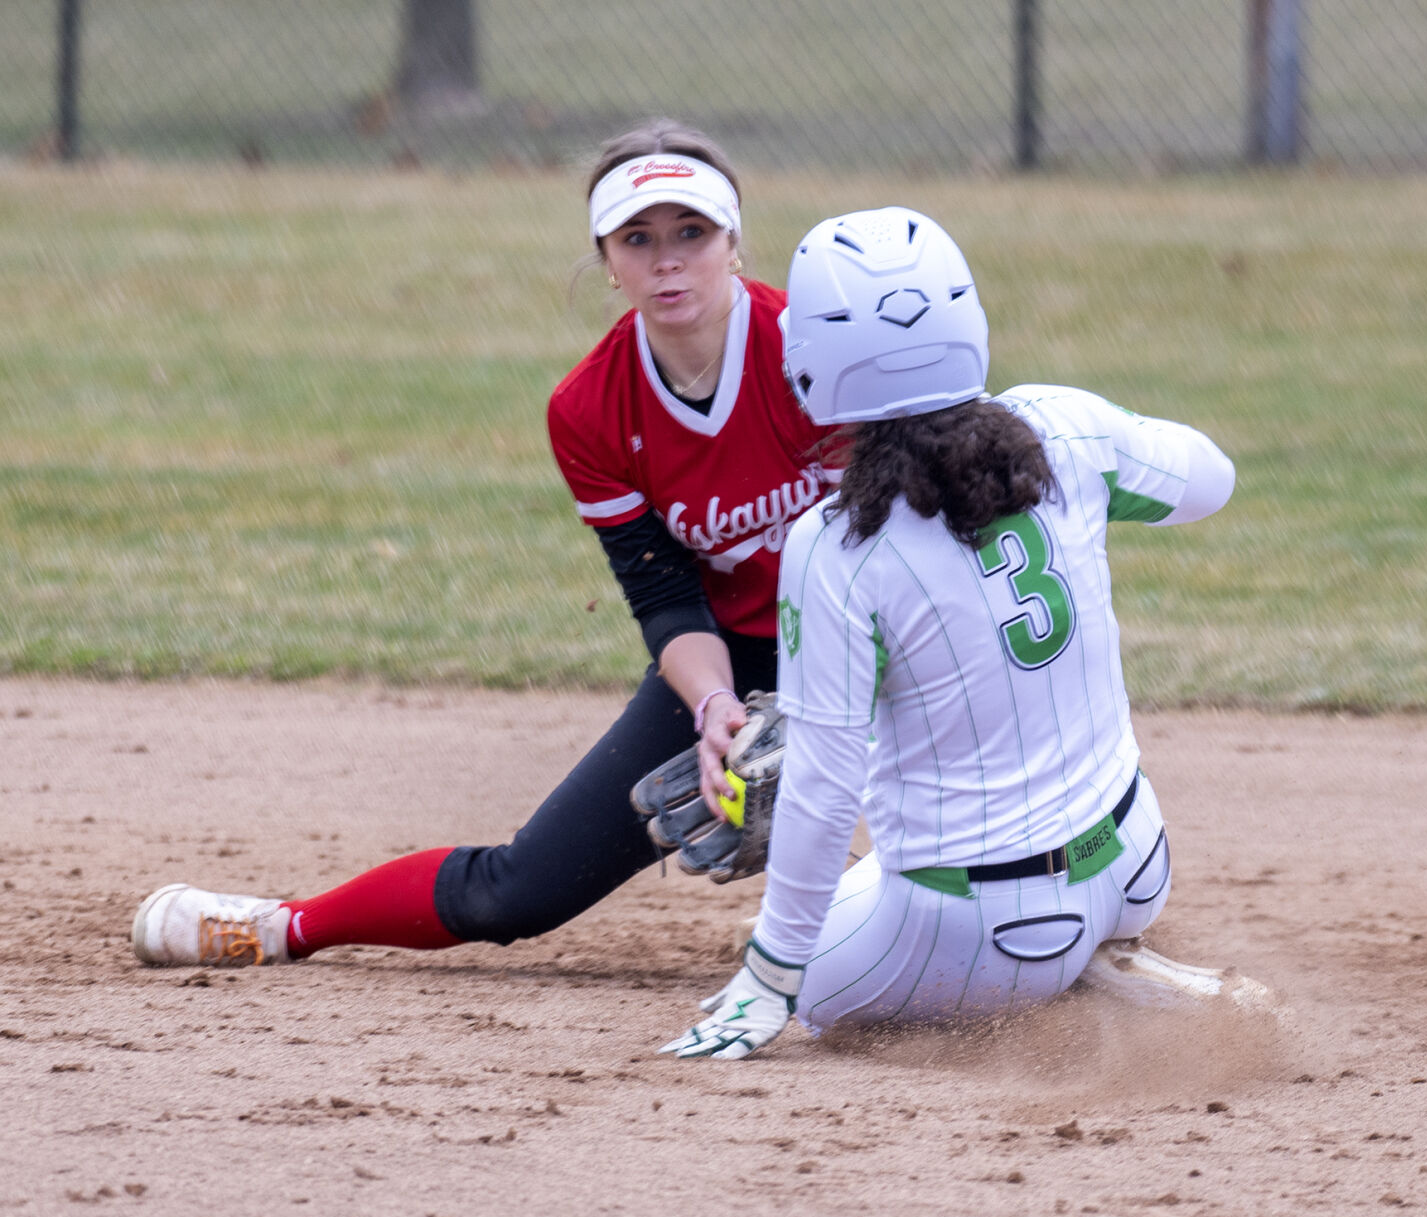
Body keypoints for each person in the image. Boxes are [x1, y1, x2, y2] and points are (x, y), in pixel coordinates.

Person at [131, 119, 842, 966]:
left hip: (878, 639)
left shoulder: (819, 348)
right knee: (520, 889)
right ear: (605, 258)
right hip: (732, 655)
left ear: (733, 241)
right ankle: (281, 925)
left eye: (692, 232)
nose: (667, 259)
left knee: (961, 824)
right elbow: (663, 596)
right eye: (637, 238)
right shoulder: (589, 408)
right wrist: (715, 709)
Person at [663, 206, 1262, 1061]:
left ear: (810, 366)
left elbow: (827, 787)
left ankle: (1081, 988)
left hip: (984, 935)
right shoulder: (1064, 428)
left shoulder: (836, 543)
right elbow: (1211, 481)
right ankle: (1105, 958)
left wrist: (769, 977)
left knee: (820, 988)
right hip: (1135, 860)